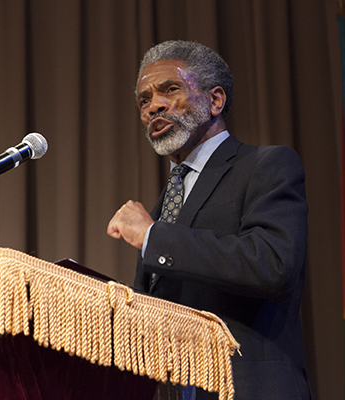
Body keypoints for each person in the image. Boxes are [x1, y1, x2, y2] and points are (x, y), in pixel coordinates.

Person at [107, 40, 311, 399]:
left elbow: (273, 264)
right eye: (144, 100)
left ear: (215, 100)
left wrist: (155, 236)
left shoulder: (266, 166)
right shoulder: (165, 203)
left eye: (170, 89)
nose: (154, 105)